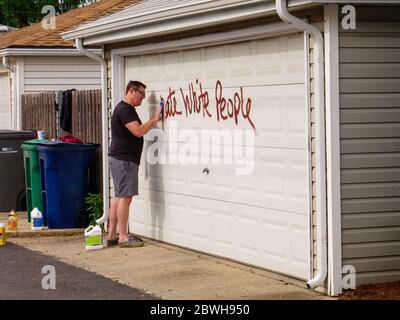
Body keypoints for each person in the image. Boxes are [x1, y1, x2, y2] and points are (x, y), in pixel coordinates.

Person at [107, 80, 161, 248]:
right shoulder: (125, 110)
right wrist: (155, 119)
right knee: (126, 197)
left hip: (120, 159)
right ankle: (123, 237)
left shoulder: (125, 109)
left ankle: (111, 236)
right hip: (124, 160)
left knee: (118, 196)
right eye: (141, 94)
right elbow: (138, 132)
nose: (143, 98)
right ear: (131, 90)